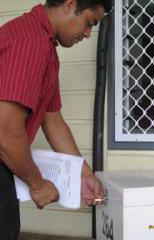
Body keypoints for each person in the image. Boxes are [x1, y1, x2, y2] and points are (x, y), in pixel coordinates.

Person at [0, 0, 112, 239]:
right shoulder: (30, 44)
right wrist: (37, 184)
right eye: (89, 23)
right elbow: (5, 132)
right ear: (70, 5)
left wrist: (84, 174)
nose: (88, 33)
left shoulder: (45, 47)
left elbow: (52, 119)